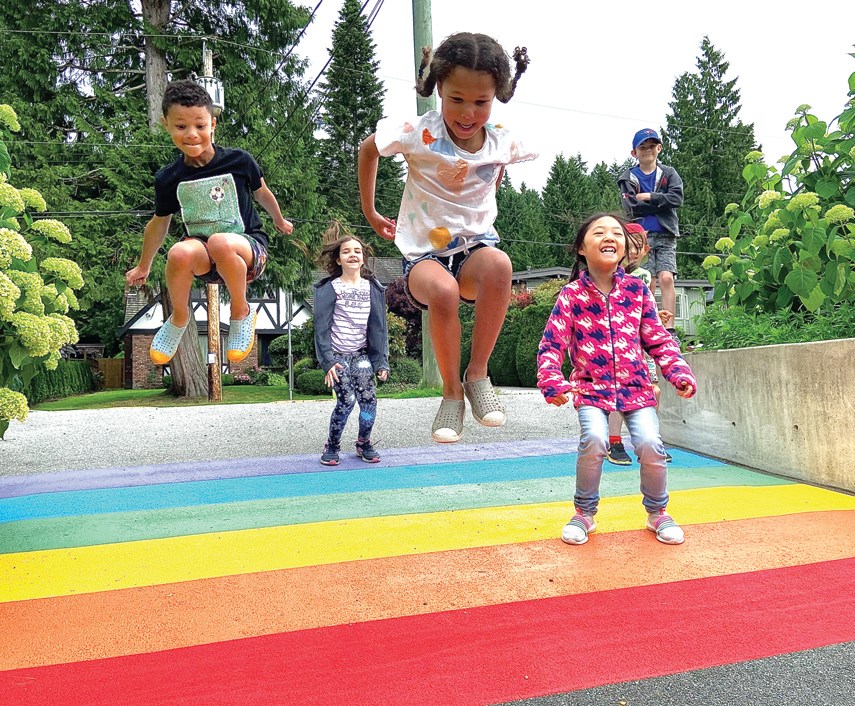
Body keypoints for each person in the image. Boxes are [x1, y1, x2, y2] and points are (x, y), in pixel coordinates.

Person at [358, 32, 536, 443]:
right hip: (424, 254)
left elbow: (497, 167)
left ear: (497, 95)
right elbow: (368, 151)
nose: (468, 113)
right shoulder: (416, 132)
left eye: (480, 102)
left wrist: (486, 197)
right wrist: (370, 212)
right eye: (456, 99)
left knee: (500, 264)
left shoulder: (501, 140)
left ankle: (478, 375)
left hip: (475, 246)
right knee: (442, 292)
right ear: (438, 87)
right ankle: (451, 393)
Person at [536, 213, 697, 546]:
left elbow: (658, 339)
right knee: (594, 440)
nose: (609, 237)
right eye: (599, 232)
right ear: (582, 248)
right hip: (591, 389)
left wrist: (677, 371)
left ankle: (658, 513)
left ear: (625, 248)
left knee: (651, 445)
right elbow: (552, 343)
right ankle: (584, 513)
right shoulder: (571, 295)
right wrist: (551, 381)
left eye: (616, 234)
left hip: (636, 390)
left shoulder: (637, 291)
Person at [126, 79, 293, 366]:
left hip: (248, 251)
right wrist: (144, 265)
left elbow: (262, 193)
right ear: (167, 124)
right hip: (206, 261)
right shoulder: (168, 178)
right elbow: (159, 222)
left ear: (212, 124)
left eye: (200, 126)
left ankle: (241, 312)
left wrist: (279, 220)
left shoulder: (239, 161)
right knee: (179, 251)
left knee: (220, 241)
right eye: (181, 127)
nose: (192, 134)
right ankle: (179, 318)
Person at [313, 224, 390, 466]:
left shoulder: (373, 288)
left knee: (369, 400)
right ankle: (332, 445)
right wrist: (327, 362)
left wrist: (381, 361)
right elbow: (321, 328)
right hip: (337, 355)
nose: (353, 254)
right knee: (346, 400)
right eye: (346, 251)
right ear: (338, 259)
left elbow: (379, 328)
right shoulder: (330, 289)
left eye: (357, 251)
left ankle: (363, 443)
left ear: (363, 258)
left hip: (361, 355)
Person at [606, 222, 674, 466]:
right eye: (629, 246)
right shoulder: (607, 273)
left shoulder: (644, 276)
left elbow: (646, 304)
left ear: (645, 250)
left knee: (652, 392)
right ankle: (613, 441)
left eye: (639, 247)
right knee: (616, 393)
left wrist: (657, 316)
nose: (634, 252)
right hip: (615, 344)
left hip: (638, 343)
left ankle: (649, 440)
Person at [618, 128, 684, 344]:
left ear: (659, 148)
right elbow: (631, 207)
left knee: (666, 277)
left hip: (666, 233)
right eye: (642, 147)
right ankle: (647, 325)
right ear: (634, 152)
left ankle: (669, 327)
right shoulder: (627, 177)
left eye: (651, 146)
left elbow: (676, 198)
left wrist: (650, 197)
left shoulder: (669, 173)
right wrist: (660, 203)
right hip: (640, 236)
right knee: (648, 280)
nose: (647, 151)